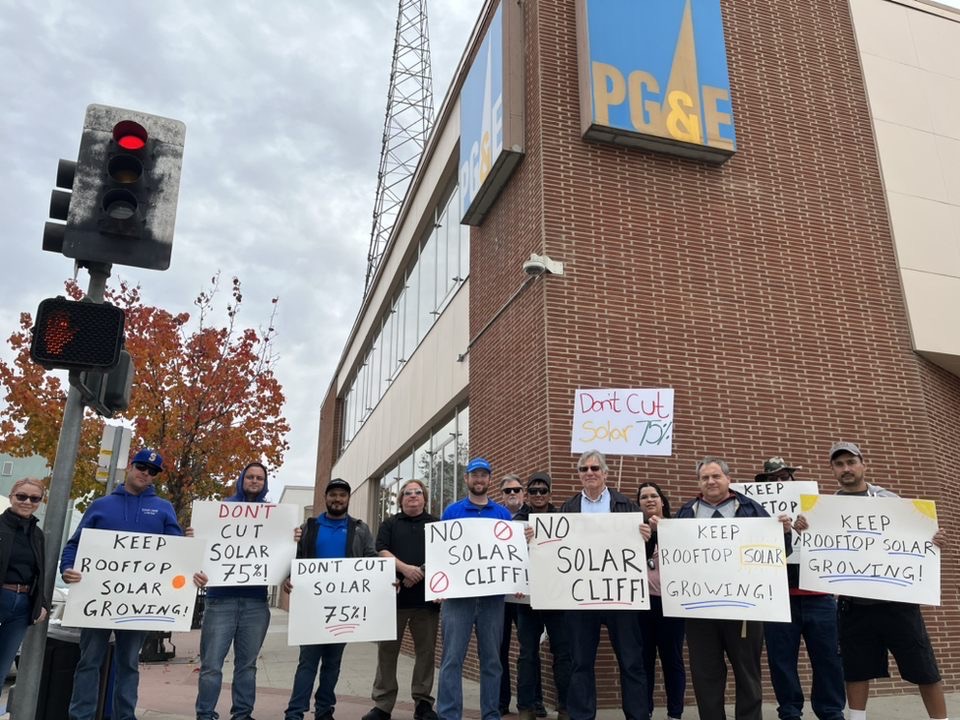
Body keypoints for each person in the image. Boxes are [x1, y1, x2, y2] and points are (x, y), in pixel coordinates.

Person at [795, 442, 948, 720]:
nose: (846, 468)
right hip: (854, 606)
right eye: (839, 464)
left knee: (924, 669)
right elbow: (815, 548)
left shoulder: (888, 500)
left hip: (898, 603)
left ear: (863, 464)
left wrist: (933, 539)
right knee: (855, 670)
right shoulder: (825, 510)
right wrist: (803, 528)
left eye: (851, 462)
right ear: (833, 470)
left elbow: (917, 535)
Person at [60, 449, 208, 720]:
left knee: (128, 664)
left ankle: (124, 716)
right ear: (130, 466)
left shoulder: (164, 508)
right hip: (98, 601)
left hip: (138, 603)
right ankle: (81, 716)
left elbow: (176, 554)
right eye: (142, 467)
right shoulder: (101, 505)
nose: (146, 474)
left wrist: (193, 571)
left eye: (153, 472)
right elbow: (74, 545)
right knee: (89, 662)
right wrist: (68, 569)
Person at [675, 456, 791, 720]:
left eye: (716, 476)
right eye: (705, 478)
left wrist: (783, 533)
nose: (711, 481)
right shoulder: (686, 512)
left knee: (747, 673)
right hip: (700, 610)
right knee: (705, 675)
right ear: (699, 483)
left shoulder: (751, 509)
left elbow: (777, 555)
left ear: (728, 479)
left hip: (744, 608)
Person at [195, 462, 294, 720]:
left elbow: (280, 556)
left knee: (247, 666)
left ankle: (242, 714)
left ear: (265, 483)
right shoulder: (221, 510)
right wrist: (194, 538)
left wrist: (291, 539)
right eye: (250, 476)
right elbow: (201, 551)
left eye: (259, 478)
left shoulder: (274, 517)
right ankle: (205, 714)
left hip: (255, 603)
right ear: (241, 480)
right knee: (211, 666)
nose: (254, 481)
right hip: (219, 602)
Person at [560, 449, 648, 720]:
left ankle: (637, 716)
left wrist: (647, 537)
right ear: (579, 475)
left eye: (595, 468)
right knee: (580, 663)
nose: (590, 473)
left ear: (606, 473)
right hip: (582, 598)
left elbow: (642, 554)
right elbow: (558, 549)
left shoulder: (627, 506)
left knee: (632, 662)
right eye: (584, 469)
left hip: (620, 596)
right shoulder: (568, 507)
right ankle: (582, 716)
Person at [754, 457, 844, 720]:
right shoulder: (758, 513)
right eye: (773, 479)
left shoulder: (815, 508)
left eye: (784, 477)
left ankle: (830, 711)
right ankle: (790, 712)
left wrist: (810, 526)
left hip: (820, 596)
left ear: (792, 481)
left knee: (828, 659)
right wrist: (779, 532)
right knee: (782, 662)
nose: (780, 482)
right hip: (780, 598)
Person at [284, 477, 377, 720]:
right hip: (312, 608)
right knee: (307, 663)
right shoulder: (309, 527)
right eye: (333, 494)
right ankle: (295, 713)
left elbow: (372, 560)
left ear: (348, 499)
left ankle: (324, 711)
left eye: (342, 495)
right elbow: (295, 558)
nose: (337, 499)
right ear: (326, 498)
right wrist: (288, 577)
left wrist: (386, 580)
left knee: (332, 664)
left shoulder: (360, 528)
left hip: (343, 608)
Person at [436, 457, 512, 720]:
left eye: (484, 475)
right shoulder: (452, 511)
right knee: (452, 660)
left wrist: (517, 578)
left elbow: (510, 555)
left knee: (492, 661)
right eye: (474, 475)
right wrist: (439, 584)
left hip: (492, 599)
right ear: (467, 479)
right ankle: (448, 715)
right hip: (458, 599)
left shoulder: (503, 514)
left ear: (490, 480)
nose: (479, 480)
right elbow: (441, 553)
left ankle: (491, 714)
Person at [363, 479, 440, 720]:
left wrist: (419, 574)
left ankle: (423, 703)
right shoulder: (390, 524)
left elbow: (444, 554)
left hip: (427, 603)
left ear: (425, 498)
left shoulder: (436, 524)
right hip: (393, 601)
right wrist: (405, 569)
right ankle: (383, 705)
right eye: (408, 493)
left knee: (425, 654)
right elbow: (381, 550)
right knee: (387, 653)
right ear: (401, 499)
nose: (413, 496)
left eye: (418, 492)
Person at [513, 472, 571, 720]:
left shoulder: (562, 519)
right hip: (526, 598)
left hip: (557, 597)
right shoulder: (517, 521)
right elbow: (509, 557)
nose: (538, 495)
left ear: (549, 493)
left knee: (564, 653)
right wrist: (519, 540)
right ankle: (526, 707)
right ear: (527, 494)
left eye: (543, 490)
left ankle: (566, 707)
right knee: (527, 654)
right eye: (533, 491)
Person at [636, 481, 685, 720]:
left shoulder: (677, 527)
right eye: (643, 497)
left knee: (672, 660)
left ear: (662, 500)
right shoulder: (636, 530)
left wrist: (661, 531)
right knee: (644, 661)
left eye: (653, 495)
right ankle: (644, 710)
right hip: (644, 605)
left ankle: (674, 712)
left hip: (672, 604)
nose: (649, 500)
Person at [498, 473, 543, 717]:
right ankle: (501, 701)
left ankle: (535, 701)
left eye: (516, 490)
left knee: (530, 649)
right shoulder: (495, 518)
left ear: (523, 494)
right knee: (499, 648)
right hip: (500, 593)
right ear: (502, 495)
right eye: (507, 491)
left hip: (526, 593)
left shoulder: (535, 517)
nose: (512, 494)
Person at [0, 478, 49, 679]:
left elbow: (40, 571)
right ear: (12, 497)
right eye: (21, 496)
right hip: (2, 594)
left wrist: (41, 603)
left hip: (22, 606)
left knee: (2, 666)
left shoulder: (37, 534)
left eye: (34, 498)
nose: (27, 502)